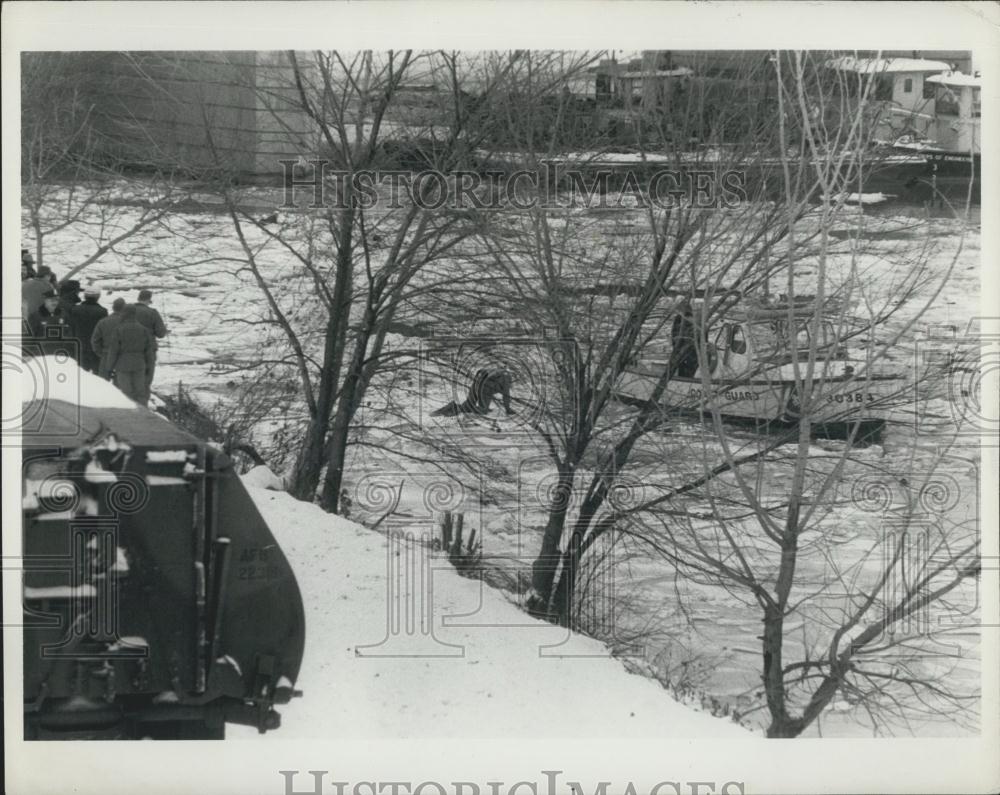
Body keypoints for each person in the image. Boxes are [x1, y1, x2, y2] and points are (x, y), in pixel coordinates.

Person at [102, 304, 155, 406]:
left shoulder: (118, 330)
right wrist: (149, 367)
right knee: (140, 392)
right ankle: (143, 415)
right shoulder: (143, 330)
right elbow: (149, 352)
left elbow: (113, 351)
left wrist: (109, 368)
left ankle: (130, 415)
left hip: (123, 365)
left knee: (126, 392)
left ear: (124, 314)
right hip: (139, 364)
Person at [432, 368, 515, 418]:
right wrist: (508, 410)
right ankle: (455, 408)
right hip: (485, 389)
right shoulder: (506, 379)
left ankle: (453, 406)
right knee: (483, 411)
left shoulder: (500, 372)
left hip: (476, 384)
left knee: (468, 405)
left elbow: (481, 371)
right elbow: (506, 396)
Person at [26, 289, 76, 358]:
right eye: (52, 300)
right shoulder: (36, 316)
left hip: (60, 355)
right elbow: (29, 337)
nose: (54, 303)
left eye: (56, 300)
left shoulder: (63, 314)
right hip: (41, 355)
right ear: (45, 300)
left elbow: (70, 332)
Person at [132, 288, 168, 386]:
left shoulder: (127, 311)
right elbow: (160, 334)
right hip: (148, 351)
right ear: (149, 300)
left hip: (128, 350)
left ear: (138, 298)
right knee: (146, 379)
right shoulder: (152, 312)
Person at [70, 287, 109, 374]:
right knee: (97, 375)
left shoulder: (75, 309)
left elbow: (71, 327)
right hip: (95, 348)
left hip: (79, 345)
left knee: (80, 375)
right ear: (98, 297)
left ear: (85, 296)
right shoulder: (102, 311)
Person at [91, 297, 127, 381]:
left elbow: (95, 340)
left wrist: (100, 353)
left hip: (106, 355)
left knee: (103, 384)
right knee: (120, 386)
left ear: (113, 307)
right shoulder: (127, 323)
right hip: (122, 357)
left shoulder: (103, 322)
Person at [669, 297, 700, 378]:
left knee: (682, 372)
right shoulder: (697, 321)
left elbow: (675, 336)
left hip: (683, 352)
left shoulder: (679, 319)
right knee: (690, 372)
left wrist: (676, 348)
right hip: (693, 354)